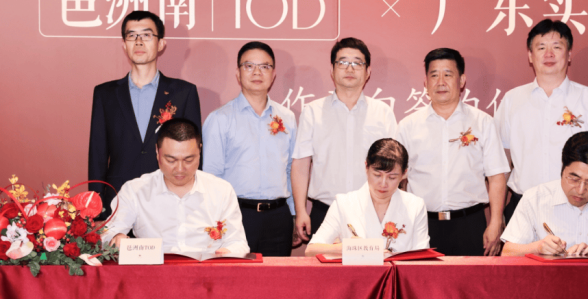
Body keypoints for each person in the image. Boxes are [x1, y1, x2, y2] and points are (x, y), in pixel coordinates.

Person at [494, 19, 588, 224]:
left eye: (557, 47)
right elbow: (501, 163)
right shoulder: (512, 100)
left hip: (577, 206)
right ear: (530, 55)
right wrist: (496, 217)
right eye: (541, 47)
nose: (549, 54)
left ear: (568, 55)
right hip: (523, 206)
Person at [89, 10, 201, 220]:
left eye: (147, 35)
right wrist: (95, 208)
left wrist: (192, 202)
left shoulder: (183, 93)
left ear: (161, 44)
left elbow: (194, 152)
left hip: (170, 200)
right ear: (124, 45)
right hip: (117, 200)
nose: (138, 41)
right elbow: (97, 154)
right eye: (132, 35)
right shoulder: (105, 94)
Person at [396, 48, 510, 256]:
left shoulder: (483, 123)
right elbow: (399, 180)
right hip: (422, 224)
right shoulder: (408, 126)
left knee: (470, 278)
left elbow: (496, 177)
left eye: (448, 74)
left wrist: (495, 223)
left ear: (462, 80)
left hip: (469, 225)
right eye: (434, 75)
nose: (440, 82)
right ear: (425, 82)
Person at [292, 38, 397, 242]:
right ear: (332, 70)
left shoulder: (383, 113)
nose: (350, 68)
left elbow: (394, 168)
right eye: (342, 62)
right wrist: (301, 211)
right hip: (325, 211)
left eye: (357, 63)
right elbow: (301, 164)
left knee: (373, 264)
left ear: (368, 71)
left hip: (373, 211)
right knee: (323, 264)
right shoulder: (313, 112)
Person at [102, 118, 249, 257]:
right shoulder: (135, 191)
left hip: (206, 272)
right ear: (157, 152)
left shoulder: (221, 190)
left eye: (188, 160)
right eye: (171, 160)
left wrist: (226, 252)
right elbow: (107, 234)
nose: (180, 169)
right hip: (153, 271)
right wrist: (116, 237)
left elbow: (238, 243)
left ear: (199, 151)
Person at [202, 41, 297, 256]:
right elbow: (211, 177)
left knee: (278, 276)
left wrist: (293, 214)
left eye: (264, 66)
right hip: (236, 216)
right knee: (235, 277)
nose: (257, 72)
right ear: (238, 73)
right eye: (249, 66)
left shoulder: (288, 118)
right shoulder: (219, 119)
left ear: (273, 74)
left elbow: (290, 170)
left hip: (278, 217)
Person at [501, 131, 588, 256]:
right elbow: (507, 253)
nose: (580, 190)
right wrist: (537, 248)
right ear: (562, 169)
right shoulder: (535, 197)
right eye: (574, 179)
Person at [305, 139, 429, 256]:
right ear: (366, 167)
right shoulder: (344, 203)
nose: (383, 183)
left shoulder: (415, 206)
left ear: (404, 174)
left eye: (392, 177)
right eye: (377, 175)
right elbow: (311, 250)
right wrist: (347, 248)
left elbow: (423, 257)